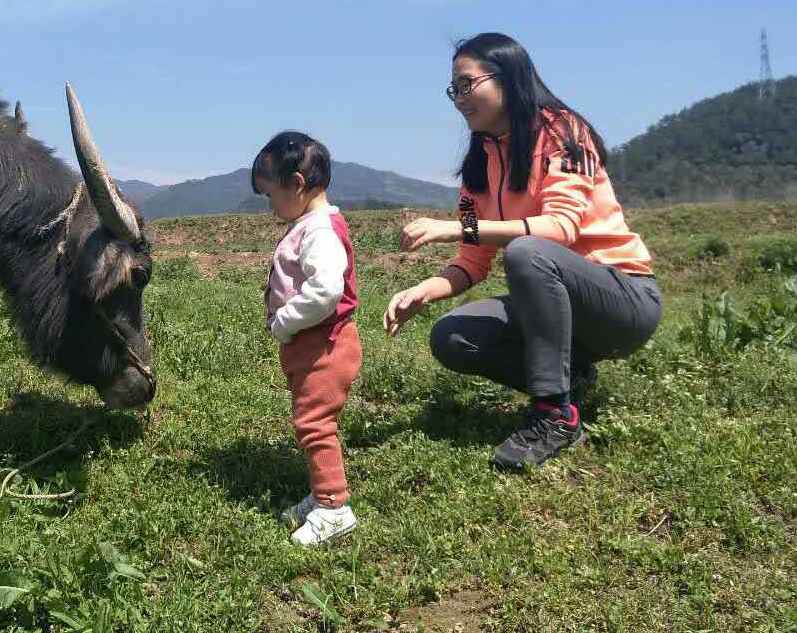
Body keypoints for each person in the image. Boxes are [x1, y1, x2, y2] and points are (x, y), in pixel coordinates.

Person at [382, 33, 661, 470]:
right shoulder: (480, 164)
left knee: (527, 251)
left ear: (508, 77)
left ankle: (555, 415)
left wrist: (456, 227)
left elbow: (561, 227)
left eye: (466, 84)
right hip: (557, 303)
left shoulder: (563, 130)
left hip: (623, 301)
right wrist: (426, 290)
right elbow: (472, 260)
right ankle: (572, 378)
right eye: (453, 89)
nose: (458, 99)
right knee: (451, 336)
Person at [253, 131, 361, 545]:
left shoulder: (318, 232)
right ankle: (321, 496)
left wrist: (284, 321)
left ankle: (335, 508)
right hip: (311, 345)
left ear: (297, 185)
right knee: (310, 420)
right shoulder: (309, 224)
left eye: (270, 195)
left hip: (325, 345)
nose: (270, 206)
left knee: (314, 424)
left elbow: (325, 292)